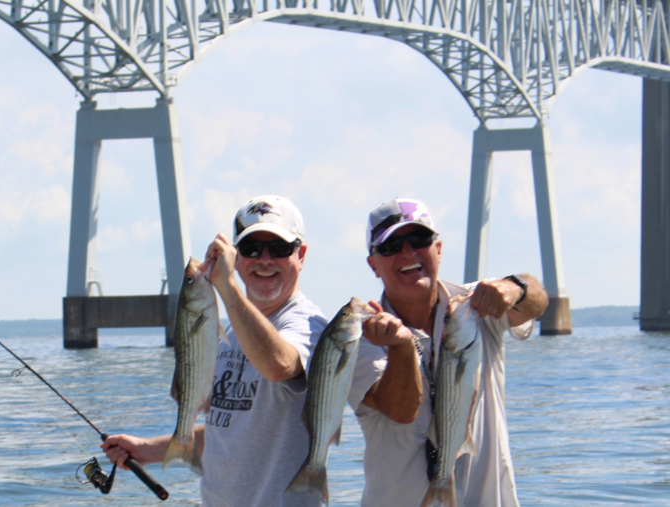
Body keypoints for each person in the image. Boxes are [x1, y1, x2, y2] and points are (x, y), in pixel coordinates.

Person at [102, 195, 328, 507]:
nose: (264, 259)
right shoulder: (229, 333)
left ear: (300, 255)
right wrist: (147, 449)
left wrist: (228, 287)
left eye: (279, 249)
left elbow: (279, 364)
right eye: (250, 249)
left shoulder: (310, 324)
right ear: (237, 256)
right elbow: (227, 433)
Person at [347, 197, 548, 507]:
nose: (408, 252)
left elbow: (537, 302)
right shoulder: (361, 337)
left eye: (419, 239)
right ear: (373, 264)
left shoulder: (478, 305)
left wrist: (514, 287)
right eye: (391, 246)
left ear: (438, 248)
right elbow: (400, 410)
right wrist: (400, 347)